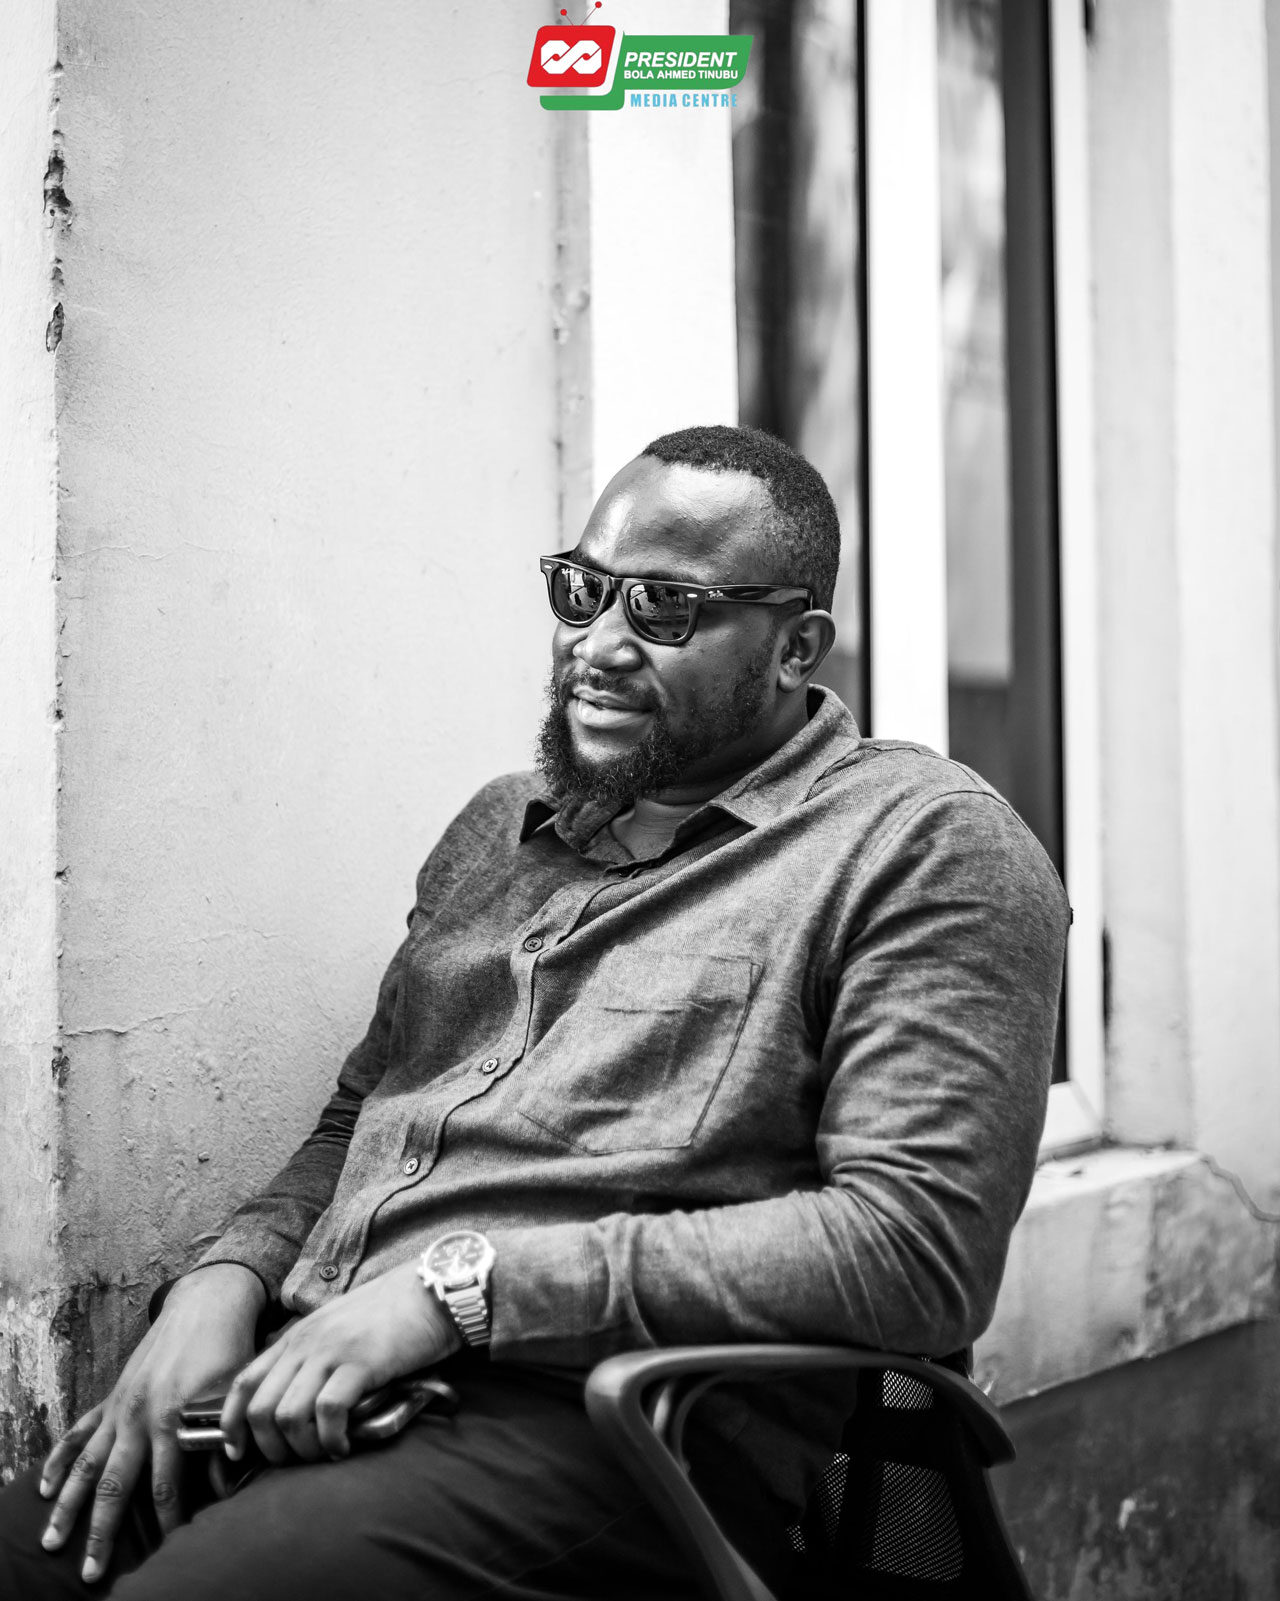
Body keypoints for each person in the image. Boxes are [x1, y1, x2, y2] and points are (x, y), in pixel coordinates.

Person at [0, 424, 1069, 1598]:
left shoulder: (923, 846)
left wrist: (461, 1291)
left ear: (794, 646)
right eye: (581, 590)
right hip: (304, 1381)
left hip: (619, 1438)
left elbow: (914, 1251)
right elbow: (357, 1122)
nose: (595, 645)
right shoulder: (494, 831)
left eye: (663, 607)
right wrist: (226, 1277)